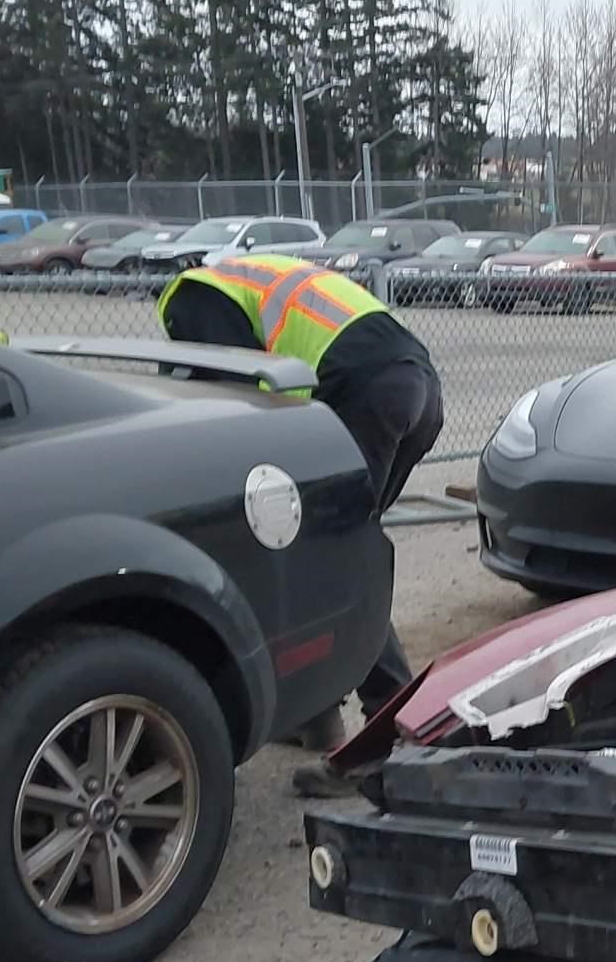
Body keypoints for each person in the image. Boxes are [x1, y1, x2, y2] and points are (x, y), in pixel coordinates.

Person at [156, 253, 444, 796]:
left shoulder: (190, 295)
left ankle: (390, 737)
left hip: (366, 392)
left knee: (338, 563)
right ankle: (319, 715)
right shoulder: (255, 278)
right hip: (417, 388)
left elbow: (238, 393)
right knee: (337, 554)